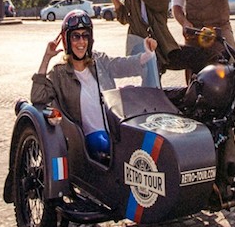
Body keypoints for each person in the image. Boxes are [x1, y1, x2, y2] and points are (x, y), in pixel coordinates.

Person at [31, 10, 157, 160]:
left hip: (115, 128)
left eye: (85, 36)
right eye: (75, 37)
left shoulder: (99, 61)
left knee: (152, 141)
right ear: (67, 40)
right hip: (86, 141)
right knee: (103, 142)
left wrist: (147, 54)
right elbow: (37, 96)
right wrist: (46, 58)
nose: (81, 42)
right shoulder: (59, 73)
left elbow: (121, 65)